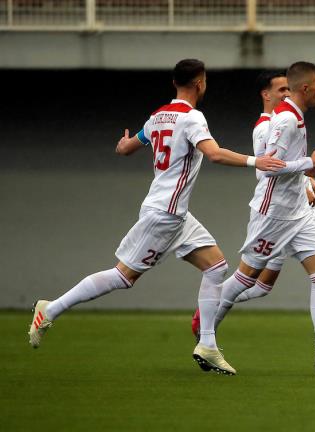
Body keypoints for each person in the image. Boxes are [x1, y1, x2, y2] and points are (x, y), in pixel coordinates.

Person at [27, 59, 286, 376]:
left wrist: (124, 145)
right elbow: (214, 153)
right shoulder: (192, 118)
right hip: (164, 214)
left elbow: (127, 147)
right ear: (200, 83)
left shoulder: (158, 116)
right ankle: (50, 309)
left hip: (176, 213)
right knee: (123, 277)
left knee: (216, 266)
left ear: (175, 83)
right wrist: (256, 161)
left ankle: (207, 344)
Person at [190, 70, 315, 364]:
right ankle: (206, 324)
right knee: (248, 279)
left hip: (299, 213)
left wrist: (308, 178)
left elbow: (287, 165)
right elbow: (266, 169)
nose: (286, 94)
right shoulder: (273, 124)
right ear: (267, 94)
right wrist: (308, 164)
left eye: (287, 89)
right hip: (273, 214)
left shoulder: (292, 118)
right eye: (281, 90)